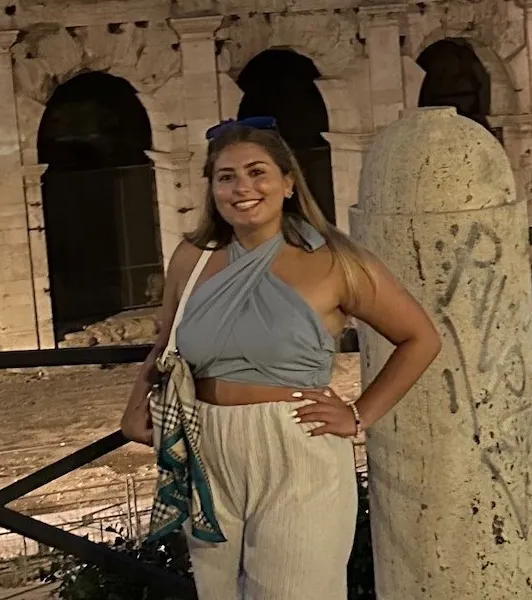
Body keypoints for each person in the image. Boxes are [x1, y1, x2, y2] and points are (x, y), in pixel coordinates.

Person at [120, 116, 442, 599]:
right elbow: (167, 344)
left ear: (288, 183)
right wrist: (133, 405)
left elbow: (421, 338)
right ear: (213, 188)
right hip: (206, 447)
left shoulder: (336, 260)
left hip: (297, 445)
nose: (242, 188)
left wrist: (358, 415)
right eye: (226, 177)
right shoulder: (192, 256)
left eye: (257, 172)